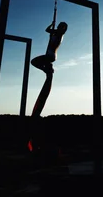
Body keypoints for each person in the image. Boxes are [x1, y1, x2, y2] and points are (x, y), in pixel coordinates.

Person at [28, 22, 68, 153]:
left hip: (51, 56)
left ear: (64, 29)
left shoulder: (60, 34)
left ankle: (47, 70)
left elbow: (56, 32)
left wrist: (56, 28)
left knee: (34, 61)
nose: (60, 27)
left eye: (62, 26)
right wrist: (52, 24)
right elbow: (47, 30)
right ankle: (47, 70)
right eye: (60, 25)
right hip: (50, 56)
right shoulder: (55, 32)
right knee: (35, 62)